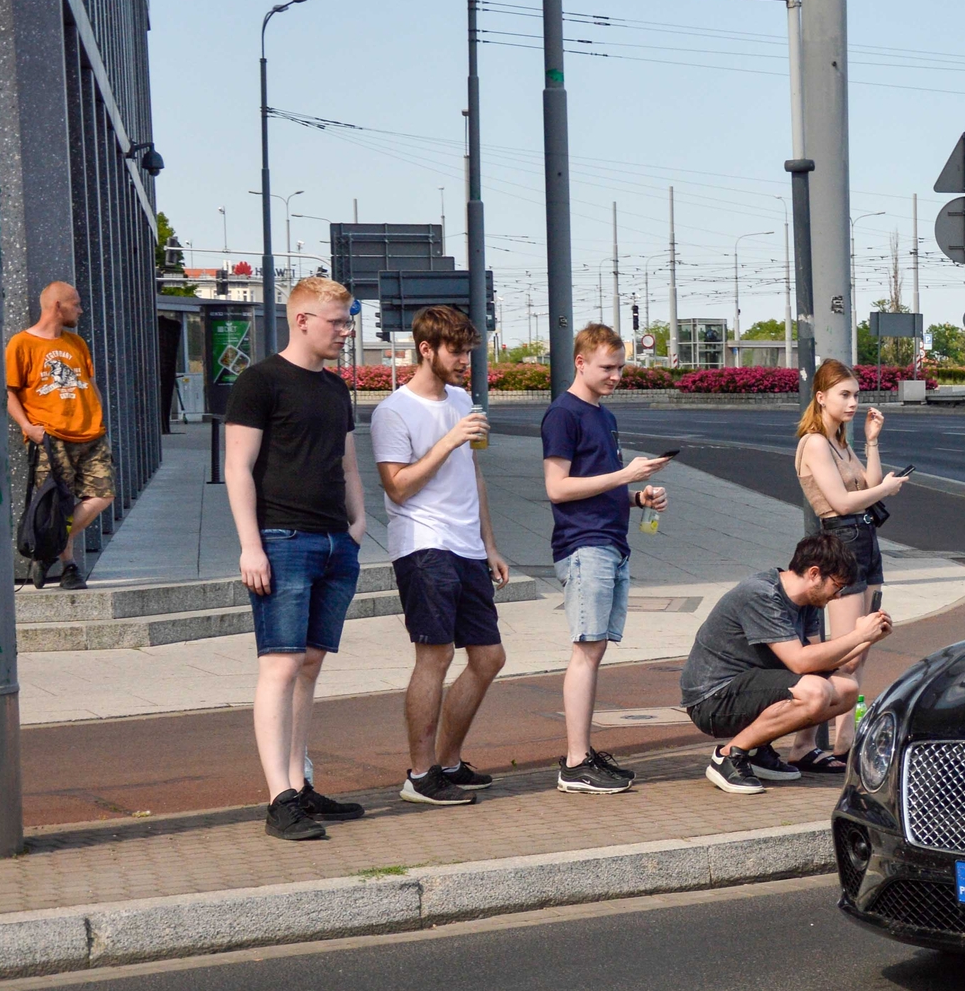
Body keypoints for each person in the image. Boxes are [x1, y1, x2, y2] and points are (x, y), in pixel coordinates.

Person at [225, 275, 367, 841]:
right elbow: (238, 468)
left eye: (348, 322)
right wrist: (251, 545)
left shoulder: (336, 390)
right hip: (282, 540)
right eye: (337, 322)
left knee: (309, 666)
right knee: (280, 666)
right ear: (303, 320)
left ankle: (300, 784)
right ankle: (278, 797)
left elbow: (349, 465)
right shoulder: (259, 382)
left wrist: (358, 525)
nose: (346, 332)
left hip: (336, 541)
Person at [371, 305, 509, 806]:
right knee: (436, 655)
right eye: (456, 352)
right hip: (423, 544)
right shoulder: (393, 411)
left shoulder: (462, 398)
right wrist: (448, 440)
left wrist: (489, 544)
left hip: (467, 545)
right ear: (425, 349)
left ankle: (448, 762)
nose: (464, 361)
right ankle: (419, 773)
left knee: (489, 656)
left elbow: (473, 476)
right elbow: (398, 488)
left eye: (469, 352)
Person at [542, 322, 671, 795]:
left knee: (594, 648)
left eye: (620, 367)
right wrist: (624, 475)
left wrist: (638, 497)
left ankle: (582, 753)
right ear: (581, 363)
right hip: (584, 545)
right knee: (586, 648)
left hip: (610, 542)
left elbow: (596, 484)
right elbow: (556, 488)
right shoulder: (565, 414)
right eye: (607, 367)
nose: (617, 375)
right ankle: (575, 761)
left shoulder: (604, 415)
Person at [681, 533, 893, 794]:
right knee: (815, 691)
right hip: (712, 698)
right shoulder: (761, 595)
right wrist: (858, 635)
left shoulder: (809, 601)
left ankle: (757, 749)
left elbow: (823, 662)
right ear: (814, 573)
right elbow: (801, 663)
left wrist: (868, 639)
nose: (837, 596)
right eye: (837, 586)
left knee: (846, 690)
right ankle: (728, 755)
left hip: (750, 686)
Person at [792, 360, 907, 767]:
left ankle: (846, 742)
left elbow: (870, 488)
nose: (854, 402)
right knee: (844, 652)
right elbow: (840, 503)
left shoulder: (840, 441)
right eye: (845, 394)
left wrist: (872, 442)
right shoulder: (815, 442)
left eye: (856, 394)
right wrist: (886, 490)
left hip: (865, 542)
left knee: (863, 646)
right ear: (821, 397)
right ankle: (804, 745)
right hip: (841, 540)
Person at [4, 280, 115, 589]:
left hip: (91, 435)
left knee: (103, 495)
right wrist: (27, 427)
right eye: (75, 304)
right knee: (59, 504)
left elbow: (89, 382)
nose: (80, 309)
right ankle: (69, 567)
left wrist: (99, 414)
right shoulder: (21, 344)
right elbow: (10, 393)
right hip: (52, 437)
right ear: (57, 306)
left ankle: (47, 550)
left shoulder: (76, 343)